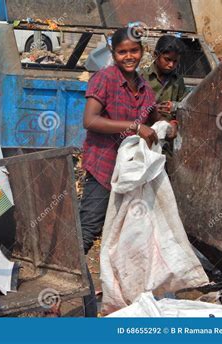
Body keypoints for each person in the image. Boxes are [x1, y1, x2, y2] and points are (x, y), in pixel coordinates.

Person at [79, 27, 178, 255]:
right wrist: (134, 126)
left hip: (131, 174)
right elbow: (90, 120)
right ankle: (71, 279)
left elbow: (154, 118)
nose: (129, 56)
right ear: (114, 54)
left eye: (134, 50)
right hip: (104, 167)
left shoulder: (143, 87)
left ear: (142, 51)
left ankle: (116, 287)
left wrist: (168, 126)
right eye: (122, 52)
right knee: (90, 226)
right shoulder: (104, 79)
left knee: (126, 231)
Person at [142, 35, 188, 121]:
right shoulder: (142, 76)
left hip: (169, 129)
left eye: (175, 61)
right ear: (156, 55)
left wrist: (174, 106)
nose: (171, 65)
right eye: (167, 59)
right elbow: (130, 107)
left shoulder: (178, 80)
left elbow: (186, 104)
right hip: (144, 129)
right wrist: (150, 109)